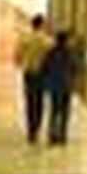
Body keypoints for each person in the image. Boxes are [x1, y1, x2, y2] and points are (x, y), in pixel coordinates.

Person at [13, 16, 53, 144]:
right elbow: (52, 56)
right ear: (42, 25)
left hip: (29, 73)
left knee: (30, 100)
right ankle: (37, 127)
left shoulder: (25, 39)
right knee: (39, 101)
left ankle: (31, 129)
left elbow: (17, 55)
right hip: (42, 74)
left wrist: (21, 63)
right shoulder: (47, 41)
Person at [42, 30, 78, 145]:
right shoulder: (70, 53)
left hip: (54, 86)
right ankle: (62, 135)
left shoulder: (51, 52)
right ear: (66, 41)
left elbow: (45, 67)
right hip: (66, 86)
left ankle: (52, 135)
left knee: (54, 111)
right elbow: (75, 68)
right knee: (64, 112)